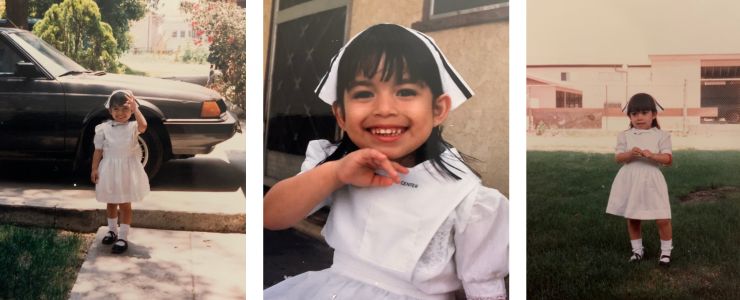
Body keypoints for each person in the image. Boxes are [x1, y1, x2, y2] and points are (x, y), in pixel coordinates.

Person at [264, 24, 509, 299]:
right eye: (364, 94)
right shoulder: (336, 166)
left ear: (438, 109)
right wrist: (335, 174)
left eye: (405, 92)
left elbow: (482, 287)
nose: (384, 109)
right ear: (341, 115)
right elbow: (271, 215)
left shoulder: (467, 198)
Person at [606, 93, 673, 266]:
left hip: (652, 179)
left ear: (654, 114)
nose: (639, 117)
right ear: (629, 116)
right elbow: (618, 158)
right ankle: (637, 250)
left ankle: (666, 252)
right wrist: (629, 154)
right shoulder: (625, 135)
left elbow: (668, 159)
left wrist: (653, 155)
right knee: (633, 216)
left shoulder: (662, 135)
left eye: (644, 113)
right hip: (630, 179)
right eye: (634, 114)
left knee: (662, 217)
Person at [91, 90, 150, 254]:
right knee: (110, 201)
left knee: (124, 203)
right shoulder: (103, 129)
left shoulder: (133, 127)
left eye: (125, 109)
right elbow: (98, 151)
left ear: (131, 111)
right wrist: (94, 169)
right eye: (116, 109)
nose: (120, 113)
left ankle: (123, 236)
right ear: (110, 111)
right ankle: (112, 230)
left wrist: (136, 109)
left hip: (126, 170)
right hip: (109, 169)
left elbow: (144, 126)